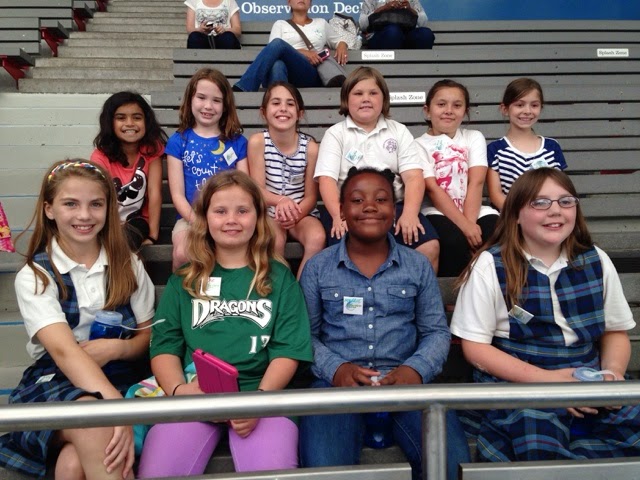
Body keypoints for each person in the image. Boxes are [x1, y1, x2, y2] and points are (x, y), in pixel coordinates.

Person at [451, 168, 640, 462]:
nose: (555, 210)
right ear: (515, 214)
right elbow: (475, 348)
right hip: (522, 383)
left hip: (587, 380)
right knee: (538, 437)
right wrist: (550, 382)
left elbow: (614, 331)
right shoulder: (490, 265)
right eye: (540, 203)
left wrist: (611, 375)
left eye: (566, 201)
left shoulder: (596, 259)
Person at [137, 170, 313, 478]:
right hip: (196, 394)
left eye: (242, 210)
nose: (232, 219)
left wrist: (259, 401)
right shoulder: (184, 280)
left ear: (258, 218)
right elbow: (164, 345)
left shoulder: (280, 278)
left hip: (261, 394)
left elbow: (288, 350)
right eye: (220, 211)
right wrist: (179, 391)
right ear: (205, 218)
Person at [299, 167, 470, 480]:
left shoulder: (417, 265)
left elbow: (435, 332)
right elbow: (304, 336)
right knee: (325, 469)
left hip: (406, 383)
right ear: (341, 210)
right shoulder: (318, 268)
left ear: (395, 210)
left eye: (381, 199)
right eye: (357, 200)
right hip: (336, 387)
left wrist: (414, 370)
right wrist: (337, 369)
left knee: (451, 464)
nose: (369, 206)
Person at [0, 160, 155, 480]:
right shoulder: (36, 274)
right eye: (70, 204)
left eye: (96, 204)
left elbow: (146, 337)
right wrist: (115, 407)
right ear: (49, 209)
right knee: (94, 420)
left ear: (108, 208)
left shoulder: (128, 263)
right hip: (57, 379)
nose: (84, 215)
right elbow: (64, 352)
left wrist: (118, 349)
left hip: (123, 377)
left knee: (72, 465)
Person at [314, 66, 440, 271]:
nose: (366, 99)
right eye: (358, 93)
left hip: (392, 207)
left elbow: (414, 177)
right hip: (349, 209)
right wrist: (338, 216)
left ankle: (407, 291)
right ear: (346, 99)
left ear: (384, 98)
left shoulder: (399, 131)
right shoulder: (336, 134)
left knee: (429, 246)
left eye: (373, 93)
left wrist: (410, 213)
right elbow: (327, 180)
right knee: (350, 251)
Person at [414, 79, 499, 277]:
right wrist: (465, 228)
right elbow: (432, 189)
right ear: (427, 110)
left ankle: (495, 288)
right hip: (436, 210)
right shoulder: (418, 145)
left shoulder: (473, 137)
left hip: (473, 208)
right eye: (441, 104)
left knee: (498, 232)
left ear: (465, 111)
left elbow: (476, 182)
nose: (449, 111)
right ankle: (453, 292)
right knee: (453, 241)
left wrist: (469, 225)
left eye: (457, 105)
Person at [167, 68, 248, 270]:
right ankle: (178, 290)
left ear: (225, 105)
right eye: (201, 97)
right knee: (182, 252)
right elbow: (177, 195)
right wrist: (198, 221)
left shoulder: (237, 142)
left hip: (229, 217)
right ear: (190, 100)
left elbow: (244, 190)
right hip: (190, 218)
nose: (208, 106)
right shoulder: (178, 141)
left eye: (216, 100)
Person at [247, 82, 324, 278]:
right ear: (263, 112)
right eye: (276, 103)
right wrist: (280, 202)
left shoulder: (310, 148)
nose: (283, 108)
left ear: (300, 113)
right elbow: (257, 189)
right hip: (269, 212)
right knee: (275, 240)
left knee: (317, 237)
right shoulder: (258, 142)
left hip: (301, 213)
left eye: (290, 104)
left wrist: (294, 215)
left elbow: (311, 197)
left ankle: (301, 288)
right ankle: (280, 287)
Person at [91, 91, 167, 251]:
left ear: (146, 121)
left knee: (127, 237)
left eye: (137, 117)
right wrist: (111, 225)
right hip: (108, 221)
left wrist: (152, 235)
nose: (130, 123)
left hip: (138, 222)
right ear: (110, 123)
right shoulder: (100, 156)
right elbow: (99, 196)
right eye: (121, 118)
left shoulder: (152, 150)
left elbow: (154, 192)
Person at [487, 78, 567, 211]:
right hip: (511, 216)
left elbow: (560, 189)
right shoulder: (495, 150)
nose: (527, 111)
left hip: (547, 216)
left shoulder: (552, 147)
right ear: (504, 109)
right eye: (520, 105)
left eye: (534, 105)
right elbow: (496, 195)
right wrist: (522, 216)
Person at [233, 0, 348, 92]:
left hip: (311, 72)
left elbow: (339, 40)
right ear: (289, 2)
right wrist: (304, 52)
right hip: (285, 72)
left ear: (310, 3)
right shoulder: (280, 24)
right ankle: (279, 97)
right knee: (277, 64)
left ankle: (245, 86)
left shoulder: (321, 23)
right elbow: (272, 51)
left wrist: (342, 44)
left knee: (279, 45)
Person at [359, 0, 435, 49]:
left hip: (407, 36)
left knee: (426, 34)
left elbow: (423, 22)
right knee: (393, 32)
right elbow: (363, 24)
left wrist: (410, 9)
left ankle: (419, 67)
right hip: (381, 36)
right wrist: (384, 8)